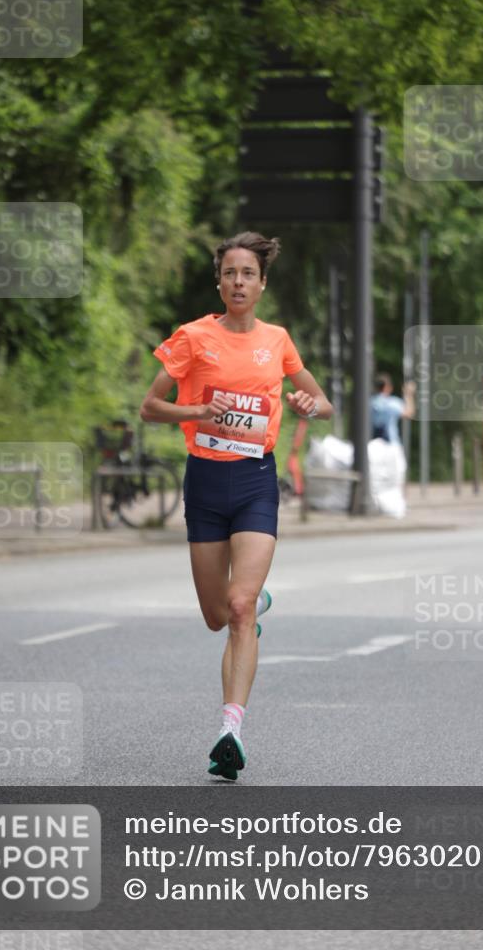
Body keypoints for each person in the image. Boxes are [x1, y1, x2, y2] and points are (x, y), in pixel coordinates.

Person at [139, 232, 333, 780]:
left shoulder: (278, 340)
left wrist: (306, 405)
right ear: (219, 281)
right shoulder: (193, 337)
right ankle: (256, 601)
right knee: (216, 615)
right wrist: (199, 411)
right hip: (204, 482)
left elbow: (323, 403)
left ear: (262, 282)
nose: (238, 282)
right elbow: (151, 407)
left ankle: (230, 729)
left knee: (239, 608)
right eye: (230, 273)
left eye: (248, 273)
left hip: (255, 481)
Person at [370, 374, 415, 445]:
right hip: (390, 445)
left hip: (371, 445)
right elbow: (409, 413)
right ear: (386, 387)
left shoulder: (368, 403)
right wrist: (408, 394)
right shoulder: (392, 403)